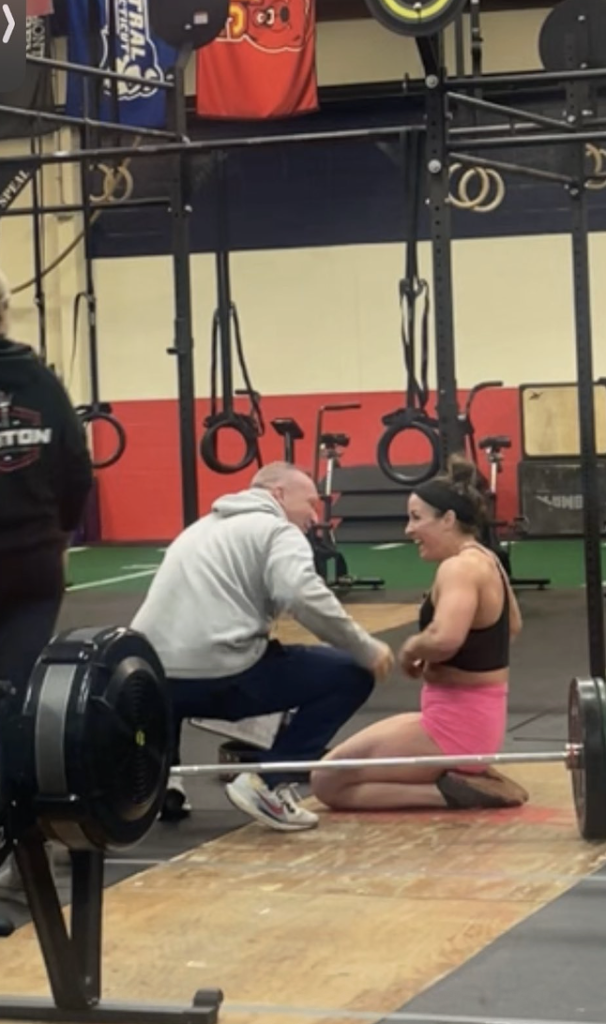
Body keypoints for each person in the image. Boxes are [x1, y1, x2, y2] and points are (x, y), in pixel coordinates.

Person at [131, 461, 394, 832]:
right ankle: (267, 784)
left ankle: (162, 784)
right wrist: (364, 648)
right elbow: (301, 596)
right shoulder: (277, 530)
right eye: (311, 503)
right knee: (352, 673)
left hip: (148, 682)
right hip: (223, 677)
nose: (315, 516)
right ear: (278, 494)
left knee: (173, 658)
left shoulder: (196, 530)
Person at [310, 455, 529, 813]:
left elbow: (445, 639)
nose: (408, 530)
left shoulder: (459, 568)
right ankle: (460, 781)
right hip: (469, 722)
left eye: (416, 518)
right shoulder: (487, 559)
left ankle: (457, 792)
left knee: (326, 782)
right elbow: (512, 626)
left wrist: (412, 649)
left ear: (448, 519)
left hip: (454, 731)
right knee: (334, 774)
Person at [0, 269, 93, 901]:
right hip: (34, 567)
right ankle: (23, 848)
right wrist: (52, 535)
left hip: (30, 565)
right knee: (16, 705)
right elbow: (76, 474)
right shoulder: (40, 380)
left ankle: (20, 846)